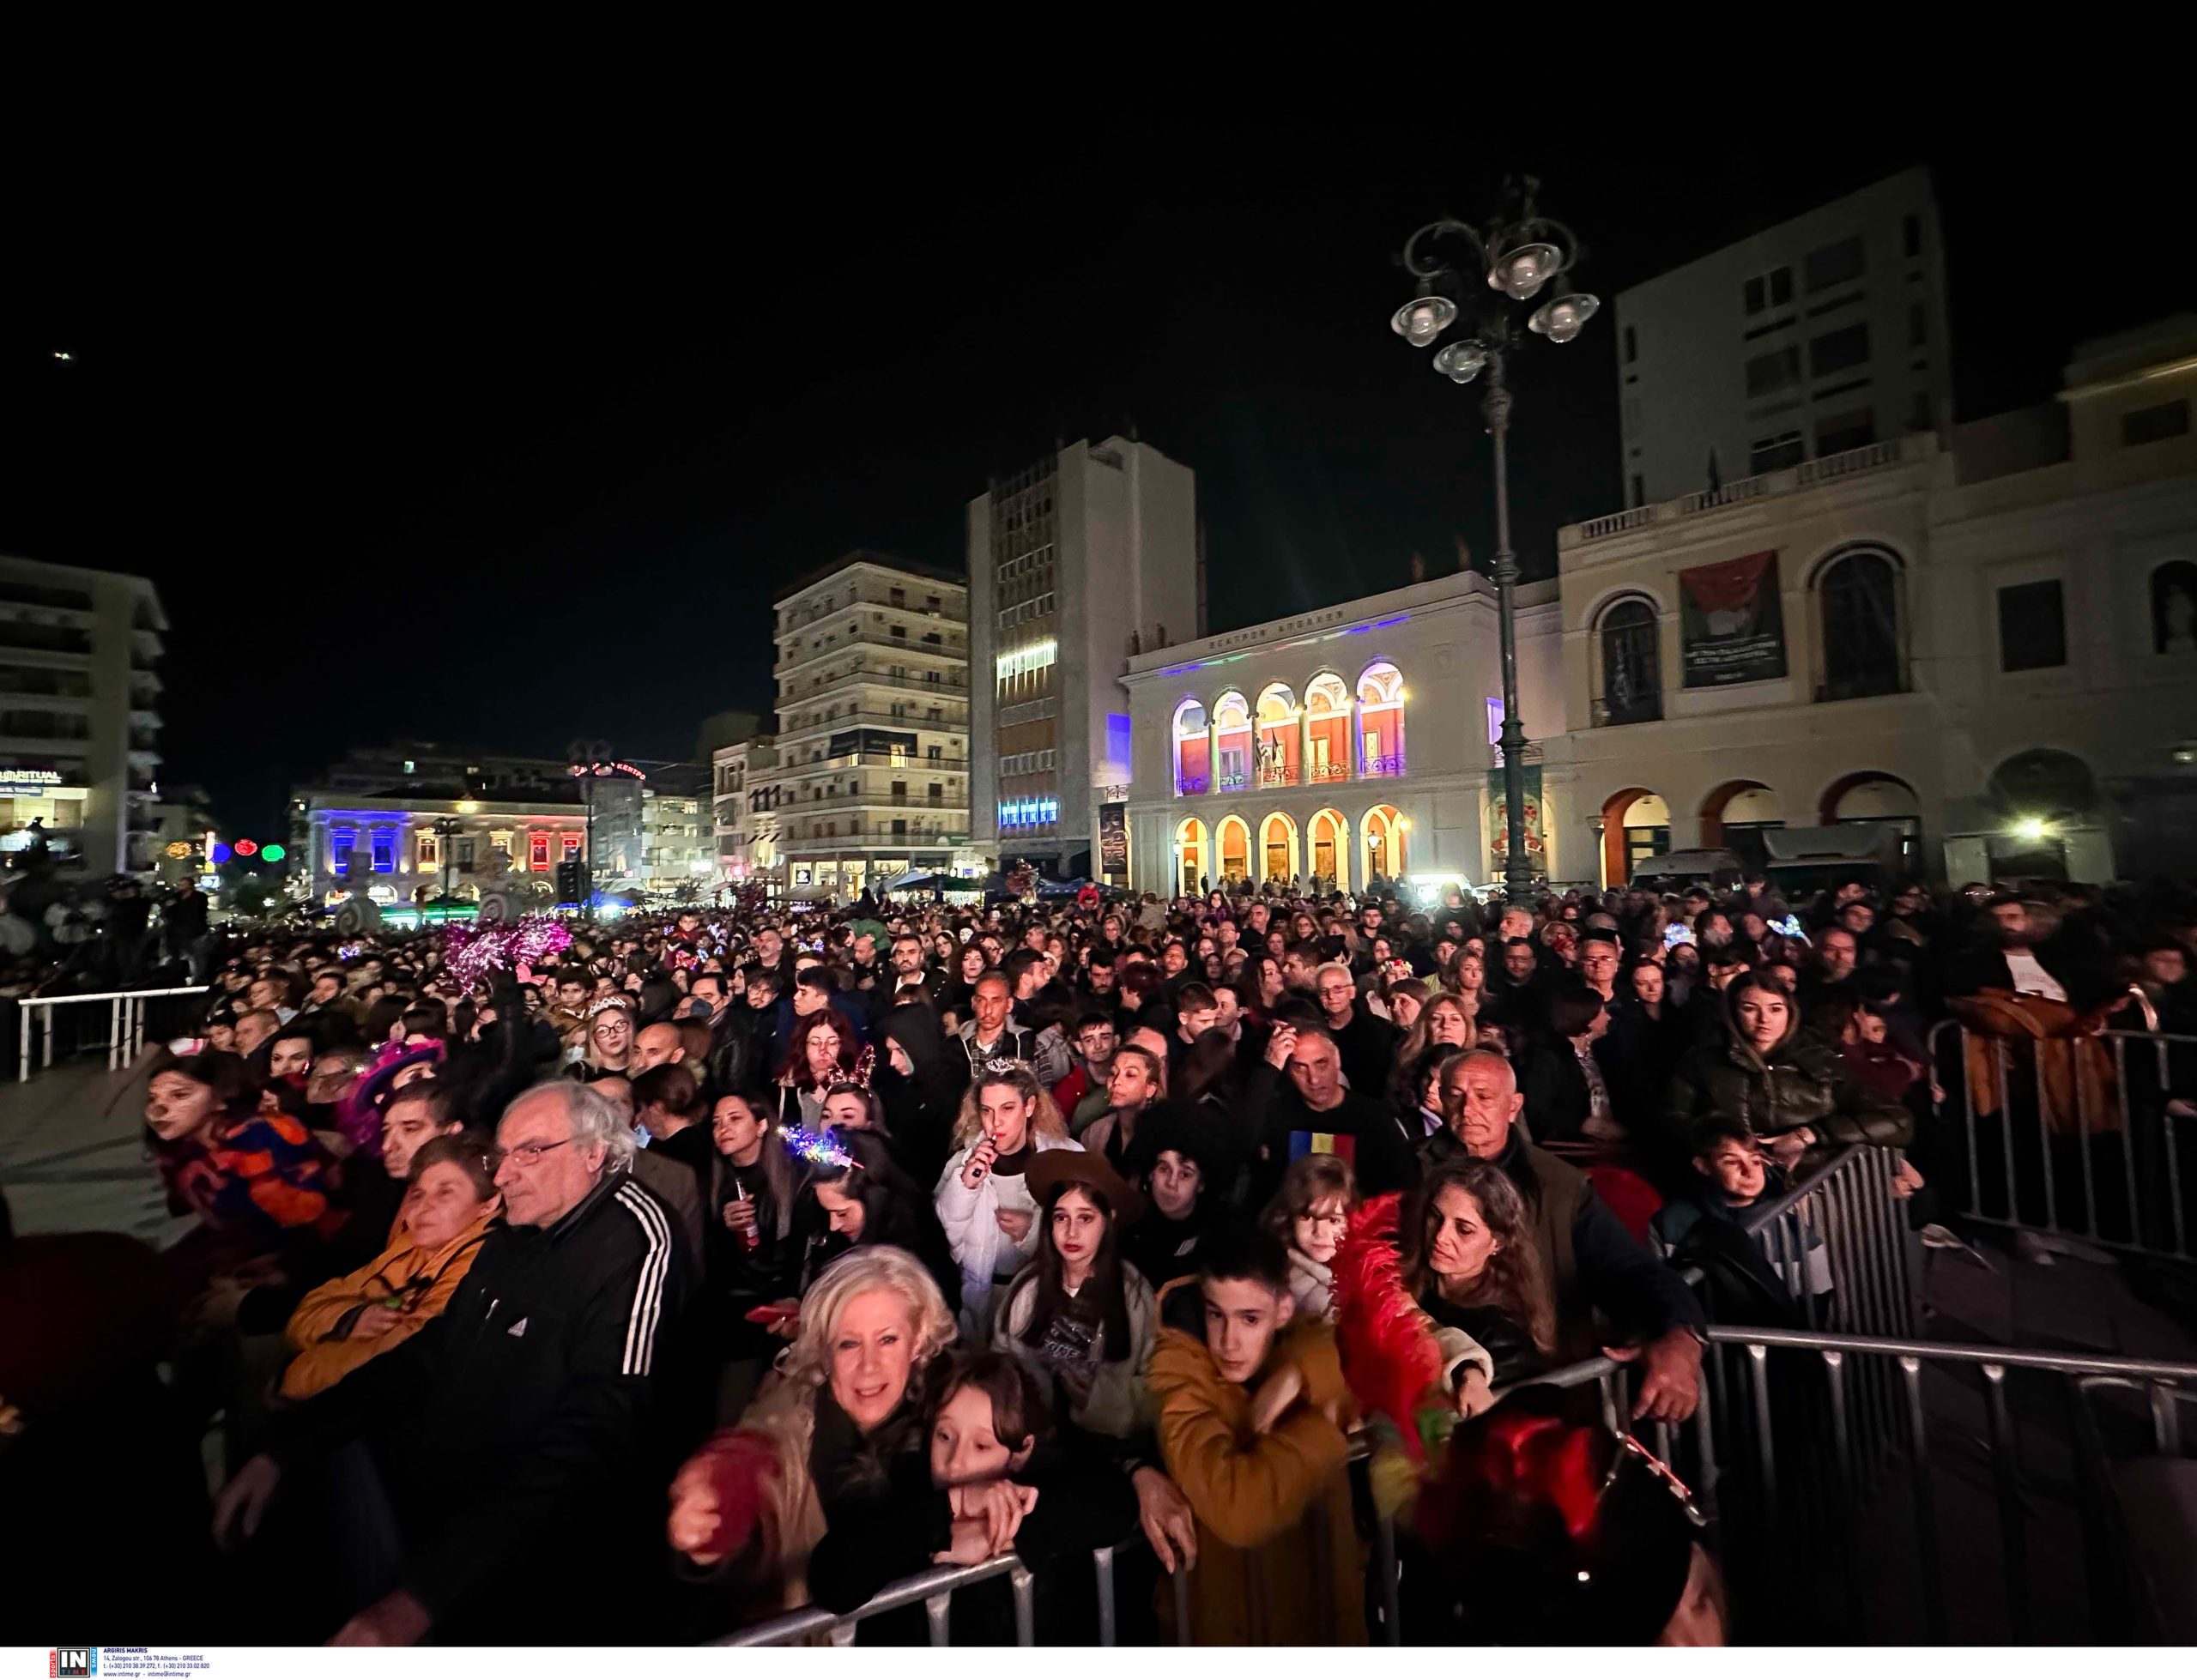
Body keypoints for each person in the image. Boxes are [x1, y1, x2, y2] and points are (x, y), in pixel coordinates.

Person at [213, 1079, 687, 1645]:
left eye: (531, 1152)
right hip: (434, 1512)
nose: (506, 1173)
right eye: (501, 1155)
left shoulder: (635, 1237)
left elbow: (600, 1430)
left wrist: (427, 1594)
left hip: (530, 1566)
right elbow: (431, 1353)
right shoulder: (513, 1228)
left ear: (594, 1153)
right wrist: (287, 1445)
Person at [664, 1248, 959, 1632]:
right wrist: (704, 1540)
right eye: (848, 1344)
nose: (869, 1366)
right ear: (824, 1350)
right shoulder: (777, 1436)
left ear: (918, 1340)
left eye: (887, 1340)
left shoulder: (958, 1422)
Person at [1426, 1052, 1704, 1419]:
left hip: (1538, 1373)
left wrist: (1681, 1333)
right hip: (1435, 1366)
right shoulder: (1409, 1169)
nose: (1468, 1108)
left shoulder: (1560, 1186)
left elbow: (1626, 1267)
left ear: (1514, 1106)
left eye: (1484, 1096)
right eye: (1456, 1095)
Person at [1146, 1226, 1363, 1645]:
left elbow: (1384, 1365)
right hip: (1231, 1630)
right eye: (1215, 1315)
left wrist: (1299, 1372)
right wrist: (1326, 1425)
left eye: (1249, 1319)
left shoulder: (1307, 1347)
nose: (1229, 1342)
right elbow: (1238, 1510)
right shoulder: (1177, 1373)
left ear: (1282, 1310)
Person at [277, 1134, 499, 1401]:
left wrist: (294, 1376)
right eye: (418, 1194)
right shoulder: (411, 1246)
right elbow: (309, 1308)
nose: (423, 1206)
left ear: (488, 1204)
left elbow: (404, 1354)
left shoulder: (482, 1263)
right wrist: (353, 1318)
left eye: (445, 1192)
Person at [1661, 971, 1913, 1178]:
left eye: (1775, 1009)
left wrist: (1811, 1135)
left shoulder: (1820, 1060)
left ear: (1789, 1011)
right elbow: (1674, 1120)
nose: (1764, 1020)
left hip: (1817, 1186)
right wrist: (1727, 1145)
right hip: (1736, 1189)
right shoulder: (1703, 1061)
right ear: (1732, 1011)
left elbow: (1897, 1121)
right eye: (1750, 1008)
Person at [994, 1151, 1157, 1443]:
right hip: (1029, 1441)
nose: (1071, 1232)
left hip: (1103, 1450)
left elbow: (1157, 1391)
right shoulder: (1028, 1286)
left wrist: (1103, 1402)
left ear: (1109, 1220)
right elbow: (998, 1362)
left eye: (1085, 1218)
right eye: (1061, 1217)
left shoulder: (1133, 1295)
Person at [935, 1061, 1083, 1338]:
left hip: (1041, 1301)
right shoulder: (963, 1163)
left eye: (1007, 1108)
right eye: (987, 1111)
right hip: (981, 1299)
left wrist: (1033, 1231)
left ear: (1028, 1107)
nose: (996, 1122)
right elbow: (942, 1238)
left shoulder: (1066, 1159)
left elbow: (1089, 1237)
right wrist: (966, 1185)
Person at [1400, 1158, 1555, 1393]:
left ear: (1498, 1243)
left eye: (1463, 1230)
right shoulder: (1405, 1275)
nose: (1441, 1236)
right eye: (1436, 1216)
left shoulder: (1504, 1336)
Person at [800, 1127, 962, 1314]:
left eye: (842, 1214)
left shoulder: (921, 1259)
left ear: (875, 1199)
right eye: (828, 1213)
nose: (833, 1226)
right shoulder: (838, 1241)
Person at [1262, 1151, 1358, 1322]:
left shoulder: (1366, 1270)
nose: (1319, 1232)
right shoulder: (1283, 1281)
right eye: (1306, 1217)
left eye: (1333, 1220)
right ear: (1289, 1218)